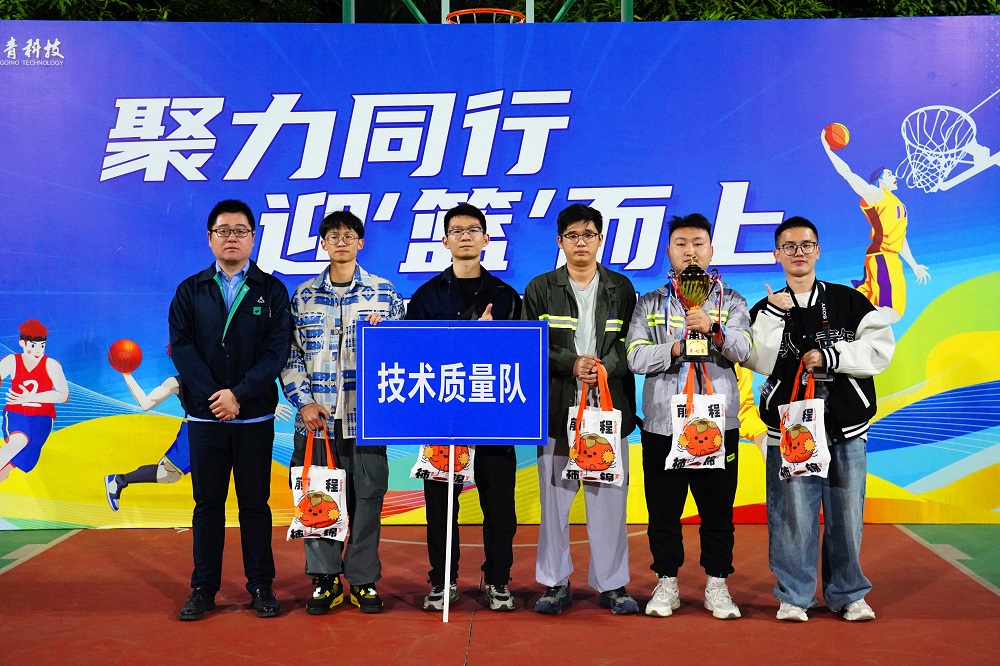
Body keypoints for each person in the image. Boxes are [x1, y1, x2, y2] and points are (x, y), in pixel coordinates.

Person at [746, 215, 894, 622]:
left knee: (847, 516)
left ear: (818, 250)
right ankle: (794, 596)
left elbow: (881, 349)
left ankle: (848, 594)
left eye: (806, 245)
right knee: (792, 516)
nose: (799, 252)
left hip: (846, 427)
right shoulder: (766, 308)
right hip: (791, 429)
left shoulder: (848, 301)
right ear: (777, 254)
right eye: (789, 246)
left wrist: (832, 356)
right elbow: (758, 359)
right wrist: (773, 315)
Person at [168, 199, 291, 621]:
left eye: (240, 231)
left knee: (255, 504)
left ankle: (260, 585)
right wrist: (216, 398)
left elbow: (276, 351)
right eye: (223, 231)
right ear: (210, 238)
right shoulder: (190, 290)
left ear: (253, 238)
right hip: (205, 419)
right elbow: (182, 349)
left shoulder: (271, 290)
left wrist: (238, 394)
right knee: (207, 504)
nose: (231, 238)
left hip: (254, 417)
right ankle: (203, 588)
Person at [626, 213, 751, 620]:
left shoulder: (732, 301)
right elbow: (634, 356)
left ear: (711, 250)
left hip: (717, 423)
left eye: (698, 243)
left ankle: (717, 583)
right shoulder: (649, 302)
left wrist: (714, 329)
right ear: (669, 251)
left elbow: (745, 350)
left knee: (718, 510)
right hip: (663, 423)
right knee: (663, 510)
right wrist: (676, 349)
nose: (690, 251)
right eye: (681, 244)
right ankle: (666, 582)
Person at [281, 210, 403, 615]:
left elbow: (403, 354)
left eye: (349, 236)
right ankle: (326, 580)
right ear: (323, 244)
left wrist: (386, 334)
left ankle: (363, 580)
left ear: (360, 243)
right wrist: (304, 402)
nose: (341, 243)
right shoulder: (303, 296)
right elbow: (290, 355)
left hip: (367, 421)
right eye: (333, 237)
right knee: (318, 500)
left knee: (367, 501)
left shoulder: (384, 293)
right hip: (316, 422)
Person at [522, 203, 639, 615]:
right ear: (560, 242)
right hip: (558, 410)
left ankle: (613, 584)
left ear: (600, 239)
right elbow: (529, 343)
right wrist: (571, 363)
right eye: (572, 236)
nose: (581, 242)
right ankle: (555, 583)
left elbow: (631, 345)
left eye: (588, 234)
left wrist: (603, 367)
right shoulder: (540, 287)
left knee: (609, 503)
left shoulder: (621, 287)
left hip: (607, 409)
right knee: (554, 503)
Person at [405, 203, 522, 612]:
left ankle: (498, 580)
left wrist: (492, 338)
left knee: (500, 509)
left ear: (486, 239)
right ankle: (443, 582)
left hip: (493, 420)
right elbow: (413, 355)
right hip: (444, 421)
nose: (465, 236)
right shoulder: (426, 296)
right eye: (457, 230)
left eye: (473, 229)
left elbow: (520, 356)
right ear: (445, 241)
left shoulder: (506, 297)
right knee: (440, 509)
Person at [103, 363, 293, 511]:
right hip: (196, 430)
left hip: (231, 429)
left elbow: (243, 390)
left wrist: (265, 405)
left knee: (239, 479)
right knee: (169, 475)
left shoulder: (228, 370)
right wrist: (126, 374)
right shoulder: (177, 382)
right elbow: (146, 404)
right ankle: (119, 480)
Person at [821, 130, 930, 321]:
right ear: (880, 180)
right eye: (889, 174)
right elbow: (847, 174)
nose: (894, 176)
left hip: (890, 257)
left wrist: (914, 265)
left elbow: (900, 237)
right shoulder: (875, 194)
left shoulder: (897, 203)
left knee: (875, 305)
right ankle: (830, 313)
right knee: (891, 312)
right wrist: (828, 150)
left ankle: (831, 309)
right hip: (881, 256)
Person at [0, 319, 69, 482]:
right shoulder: (13, 360)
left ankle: (5, 470)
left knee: (28, 455)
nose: (38, 350)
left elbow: (63, 395)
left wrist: (33, 397)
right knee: (18, 441)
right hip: (17, 412)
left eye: (42, 346)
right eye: (33, 345)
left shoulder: (51, 364)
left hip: (43, 416)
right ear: (22, 343)